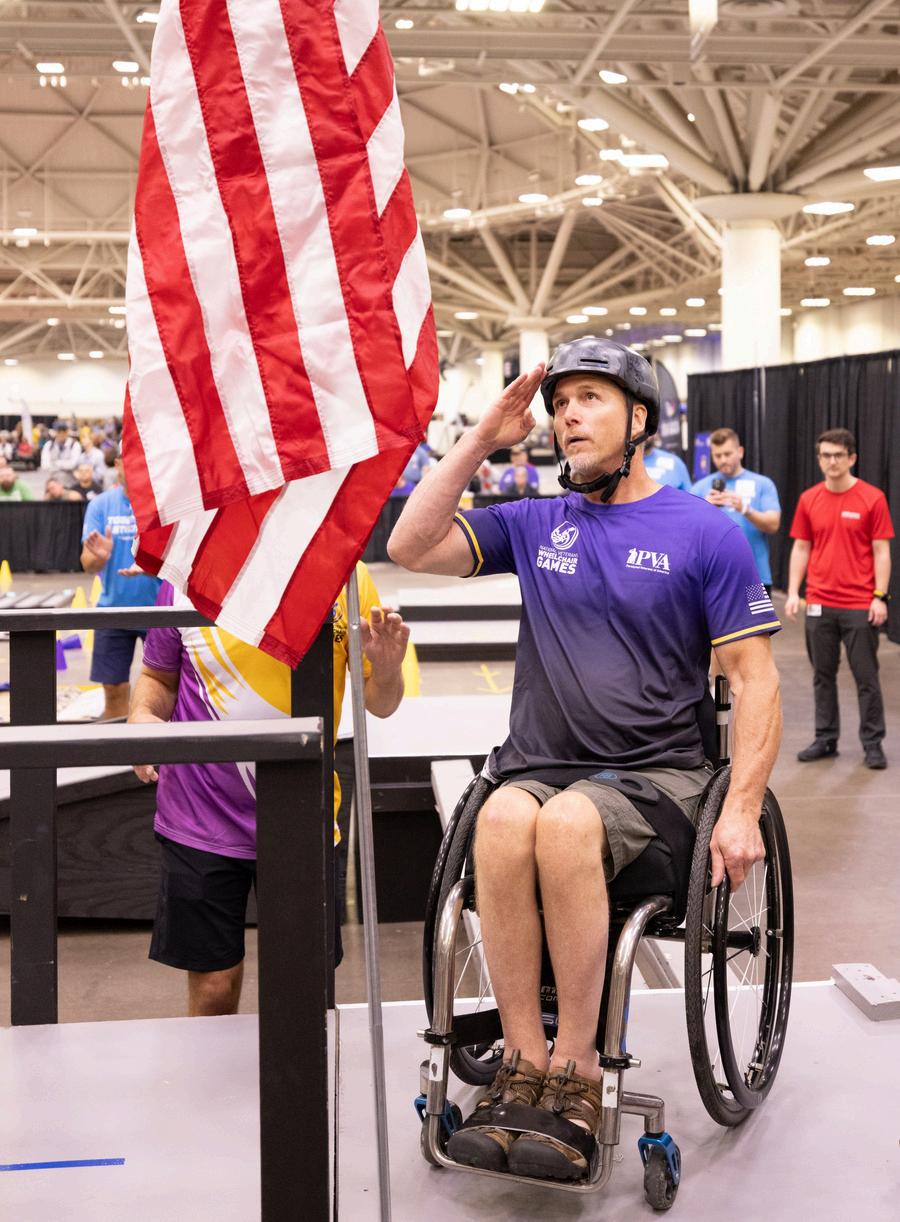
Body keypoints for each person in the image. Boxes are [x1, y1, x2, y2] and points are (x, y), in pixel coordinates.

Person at [388, 336, 781, 1182]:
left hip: (657, 779)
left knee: (569, 824)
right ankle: (521, 1063)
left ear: (639, 420)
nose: (568, 415)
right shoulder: (536, 523)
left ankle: (577, 1071)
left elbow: (757, 682)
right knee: (499, 817)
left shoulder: (704, 533)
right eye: (560, 403)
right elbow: (410, 546)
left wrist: (744, 806)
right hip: (537, 767)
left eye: (589, 399)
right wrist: (481, 437)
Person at [128, 565, 408, 1016]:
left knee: (301, 988)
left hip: (303, 813)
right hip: (199, 812)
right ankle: (216, 1066)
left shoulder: (345, 574)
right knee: (214, 986)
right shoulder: (188, 570)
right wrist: (143, 717)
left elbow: (380, 702)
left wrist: (389, 669)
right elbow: (158, 678)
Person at [786, 427, 894, 770]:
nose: (831, 461)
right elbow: (801, 547)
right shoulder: (809, 499)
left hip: (859, 604)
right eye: (825, 455)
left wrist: (879, 596)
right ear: (819, 459)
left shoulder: (872, 498)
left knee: (866, 677)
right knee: (823, 675)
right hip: (819, 601)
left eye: (838, 455)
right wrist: (793, 592)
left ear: (851, 459)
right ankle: (826, 738)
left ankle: (873, 743)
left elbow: (881, 552)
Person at [80, 446, 162, 719]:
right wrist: (99, 557)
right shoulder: (100, 505)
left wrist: (153, 565)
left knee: (162, 690)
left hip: (160, 613)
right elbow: (87, 564)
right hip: (113, 611)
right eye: (131, 460)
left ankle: (161, 746)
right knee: (114, 689)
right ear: (118, 464)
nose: (138, 466)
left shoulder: (162, 504)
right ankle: (119, 745)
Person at [691, 428, 781, 587]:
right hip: (712, 579)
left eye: (727, 454)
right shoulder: (700, 487)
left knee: (756, 606)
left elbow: (773, 525)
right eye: (718, 455)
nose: (723, 460)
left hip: (754, 578)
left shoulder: (762, 484)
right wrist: (704, 509)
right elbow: (685, 529)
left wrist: (745, 509)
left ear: (740, 452)